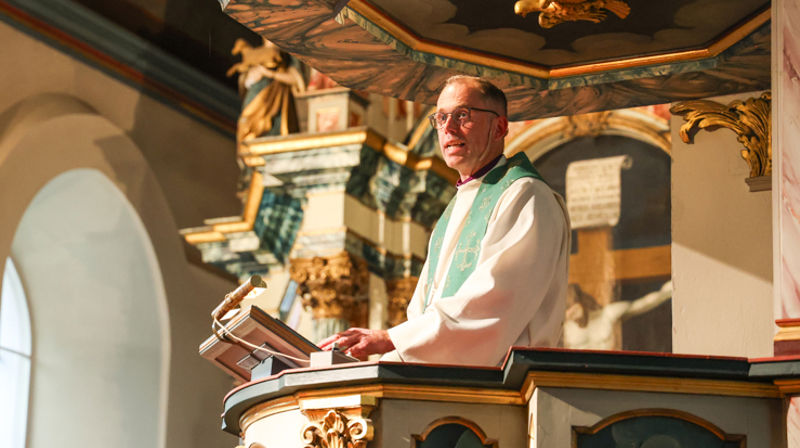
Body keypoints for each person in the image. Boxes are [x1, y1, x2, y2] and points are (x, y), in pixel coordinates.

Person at [319, 75, 571, 366]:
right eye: (440, 118)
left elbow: (494, 301)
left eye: (462, 115)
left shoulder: (525, 195)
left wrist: (392, 339)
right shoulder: (454, 210)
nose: (448, 128)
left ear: (500, 127)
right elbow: (422, 313)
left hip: (505, 384)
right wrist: (386, 360)